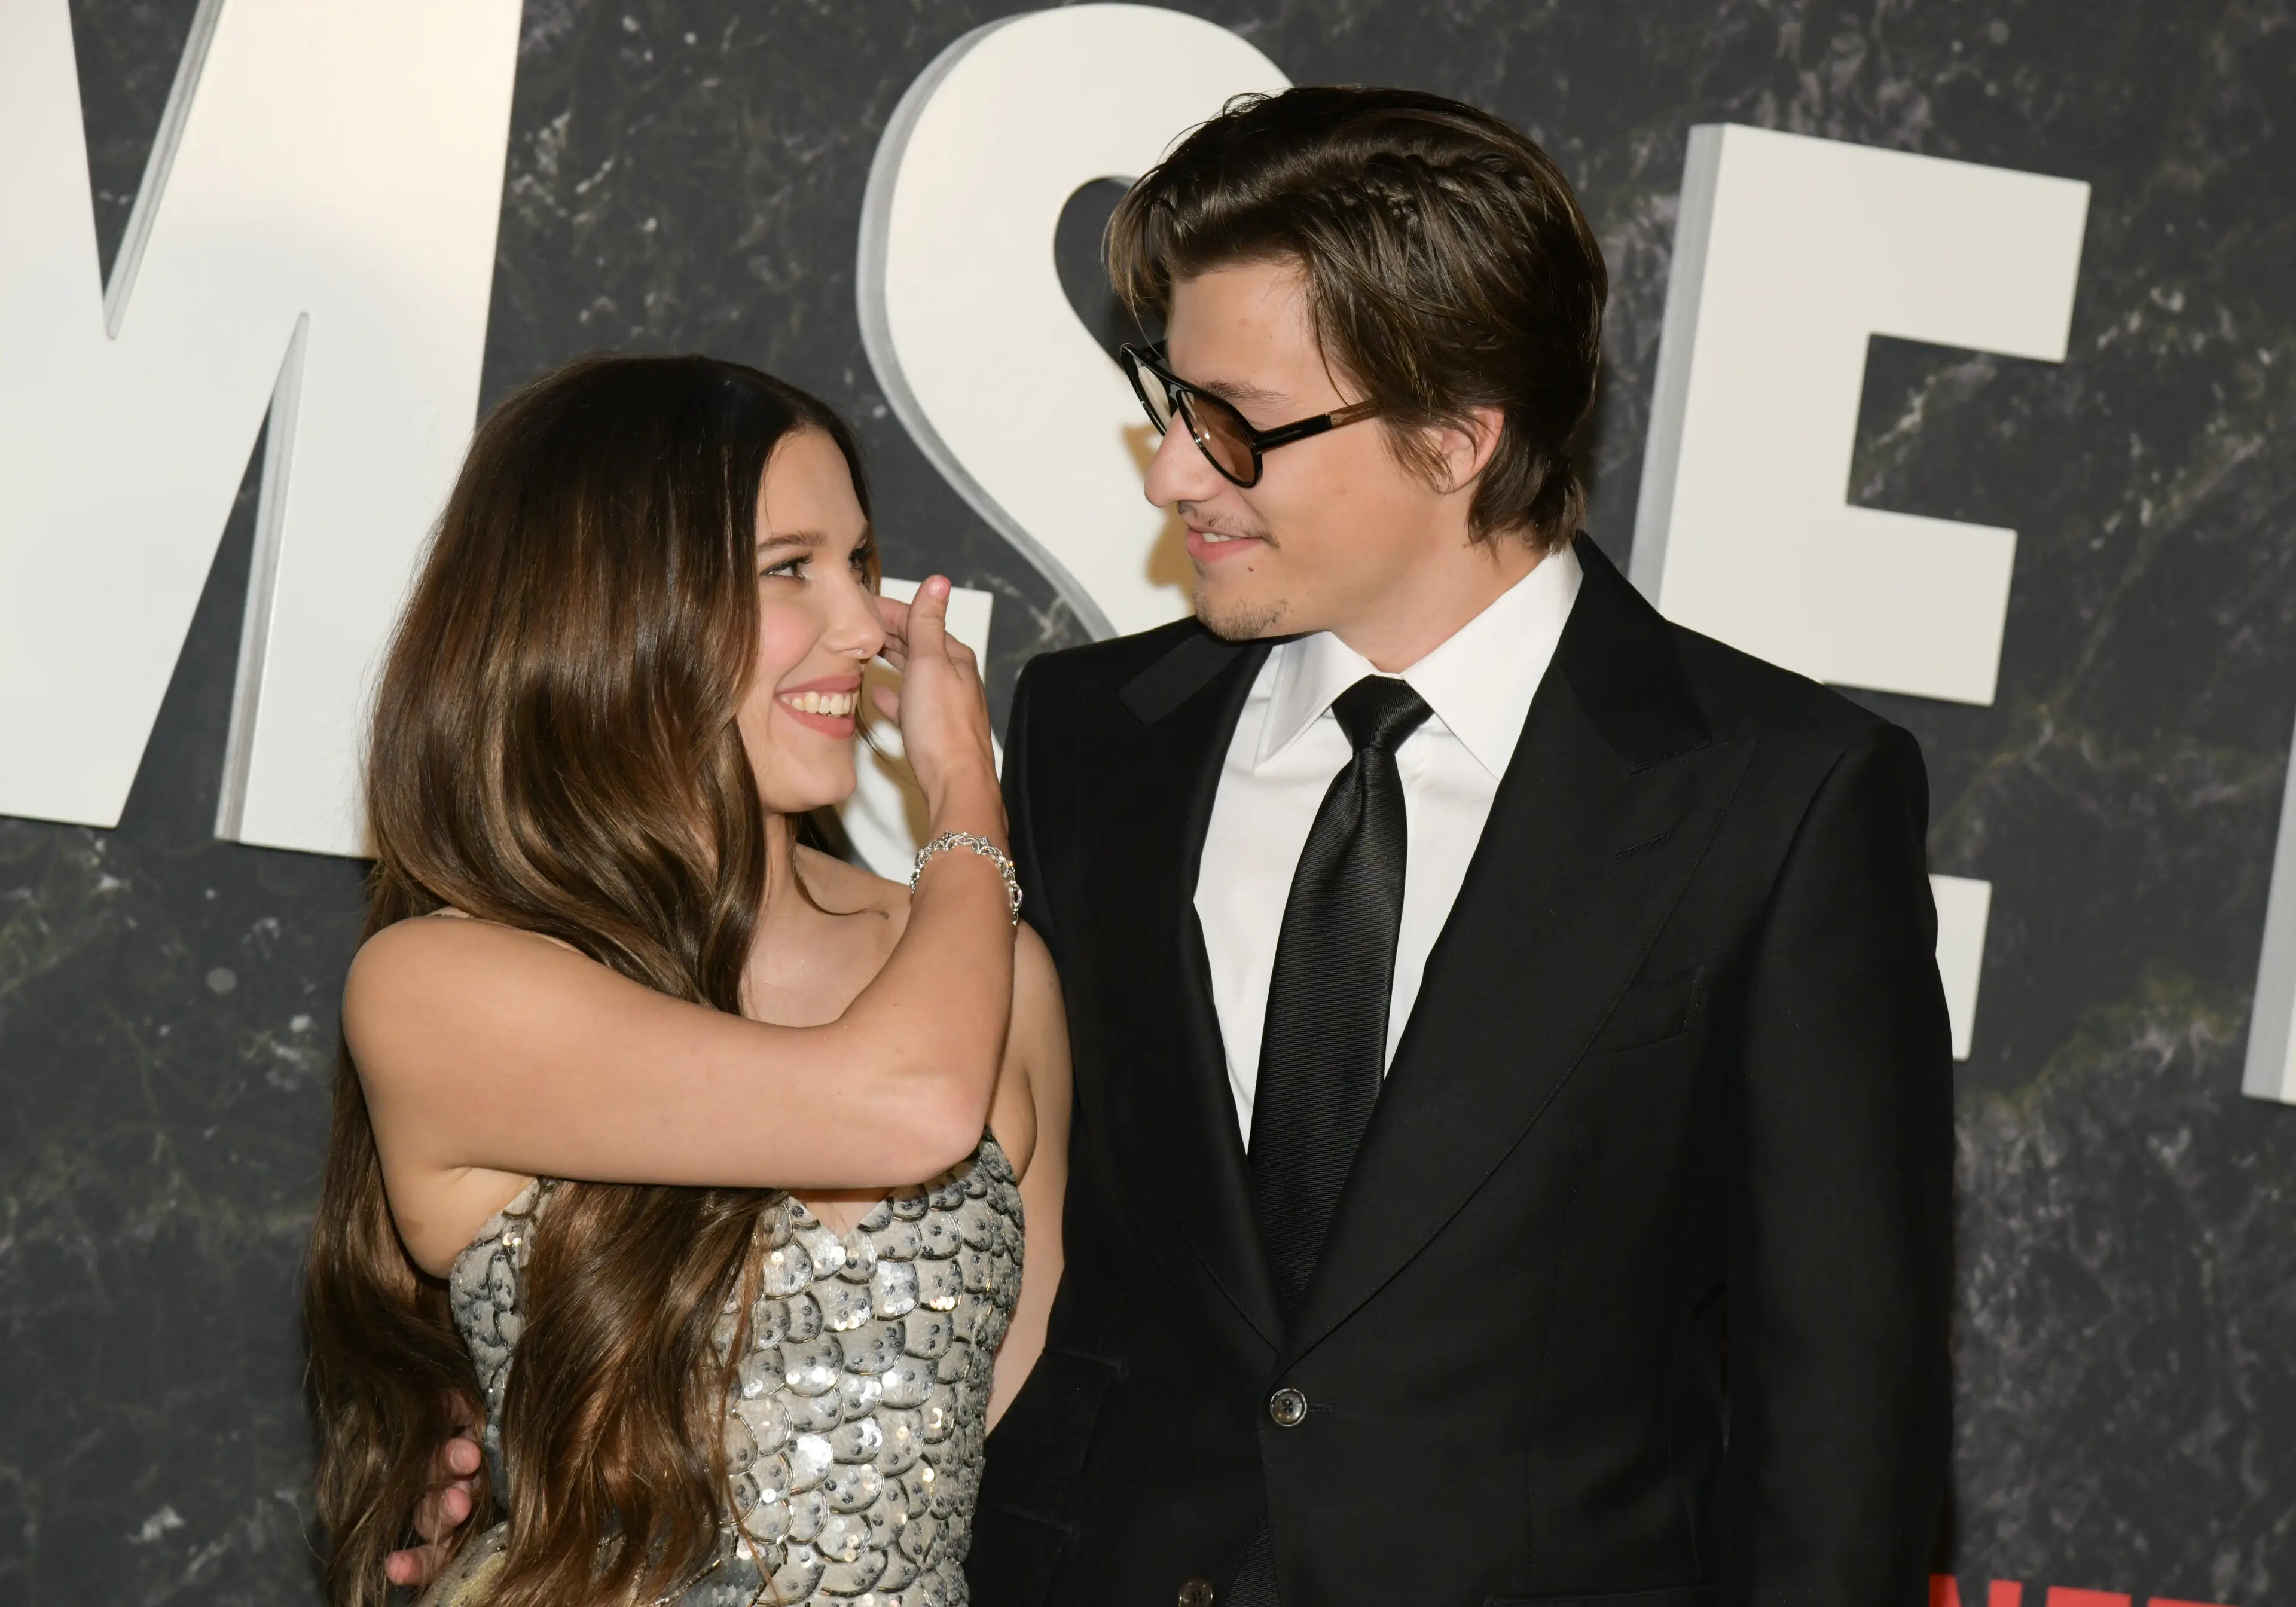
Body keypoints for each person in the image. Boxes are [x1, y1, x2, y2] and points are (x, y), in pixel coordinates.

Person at [968, 88, 1952, 1605]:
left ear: (1455, 438)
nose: (1171, 472)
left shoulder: (1779, 798)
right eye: (1167, 402)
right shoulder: (1092, 734)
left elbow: (1845, 1424)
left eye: (1232, 423)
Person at [304, 353, 1070, 1607]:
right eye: (789, 570)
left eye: (863, 566)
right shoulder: (438, 982)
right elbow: (905, 1109)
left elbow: (1007, 1424)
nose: (870, 625)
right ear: (612, 606)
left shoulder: (992, 973)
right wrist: (967, 808)